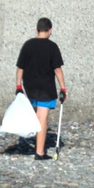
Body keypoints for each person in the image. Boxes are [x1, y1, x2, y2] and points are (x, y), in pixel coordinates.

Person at [14, 17, 67, 160]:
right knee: (41, 119)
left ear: (36, 30)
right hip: (46, 88)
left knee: (37, 116)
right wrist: (63, 88)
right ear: (50, 30)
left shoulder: (27, 45)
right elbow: (57, 69)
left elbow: (20, 67)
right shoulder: (52, 47)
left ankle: (34, 142)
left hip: (30, 86)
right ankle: (40, 152)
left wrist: (18, 86)